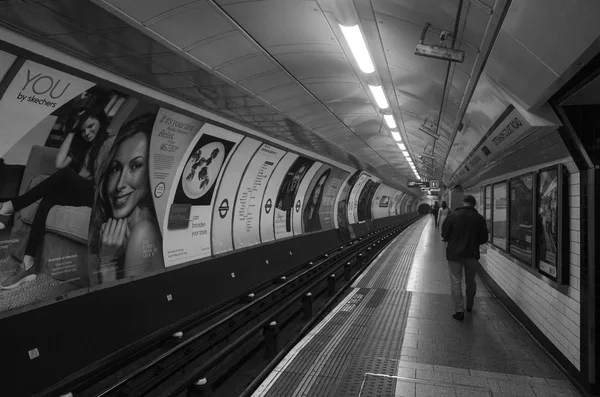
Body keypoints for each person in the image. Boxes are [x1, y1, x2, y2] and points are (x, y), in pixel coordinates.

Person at [0, 107, 110, 290]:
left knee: (66, 174)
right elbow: (59, 163)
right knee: (48, 199)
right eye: (83, 130)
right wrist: (73, 132)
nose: (88, 133)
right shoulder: (82, 146)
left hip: (95, 194)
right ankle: (28, 265)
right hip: (80, 192)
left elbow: (100, 179)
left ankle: (11, 205)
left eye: (91, 127)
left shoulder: (107, 142)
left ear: (100, 120)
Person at [90, 114, 164, 284]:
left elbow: (123, 308)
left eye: (136, 166)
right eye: (115, 168)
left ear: (150, 173)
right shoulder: (130, 225)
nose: (120, 184)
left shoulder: (143, 232)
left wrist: (107, 263)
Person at [441, 195, 488, 321]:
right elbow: (484, 239)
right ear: (474, 204)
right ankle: (469, 305)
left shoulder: (453, 216)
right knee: (471, 280)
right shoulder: (479, 218)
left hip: (454, 255)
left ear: (463, 203)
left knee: (456, 281)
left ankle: (459, 310)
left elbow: (444, 234)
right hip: (472, 255)